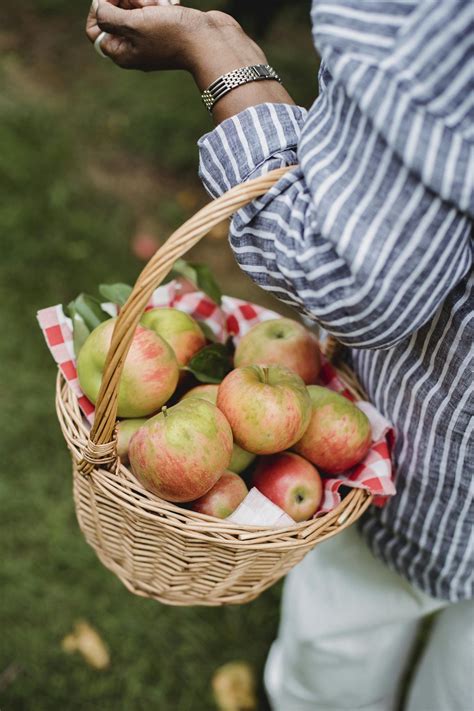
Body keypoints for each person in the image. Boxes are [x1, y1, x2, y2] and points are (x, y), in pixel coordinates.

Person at [86, 1, 473, 709]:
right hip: (410, 463)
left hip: (422, 472)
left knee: (330, 675)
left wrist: (219, 56)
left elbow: (356, 279)